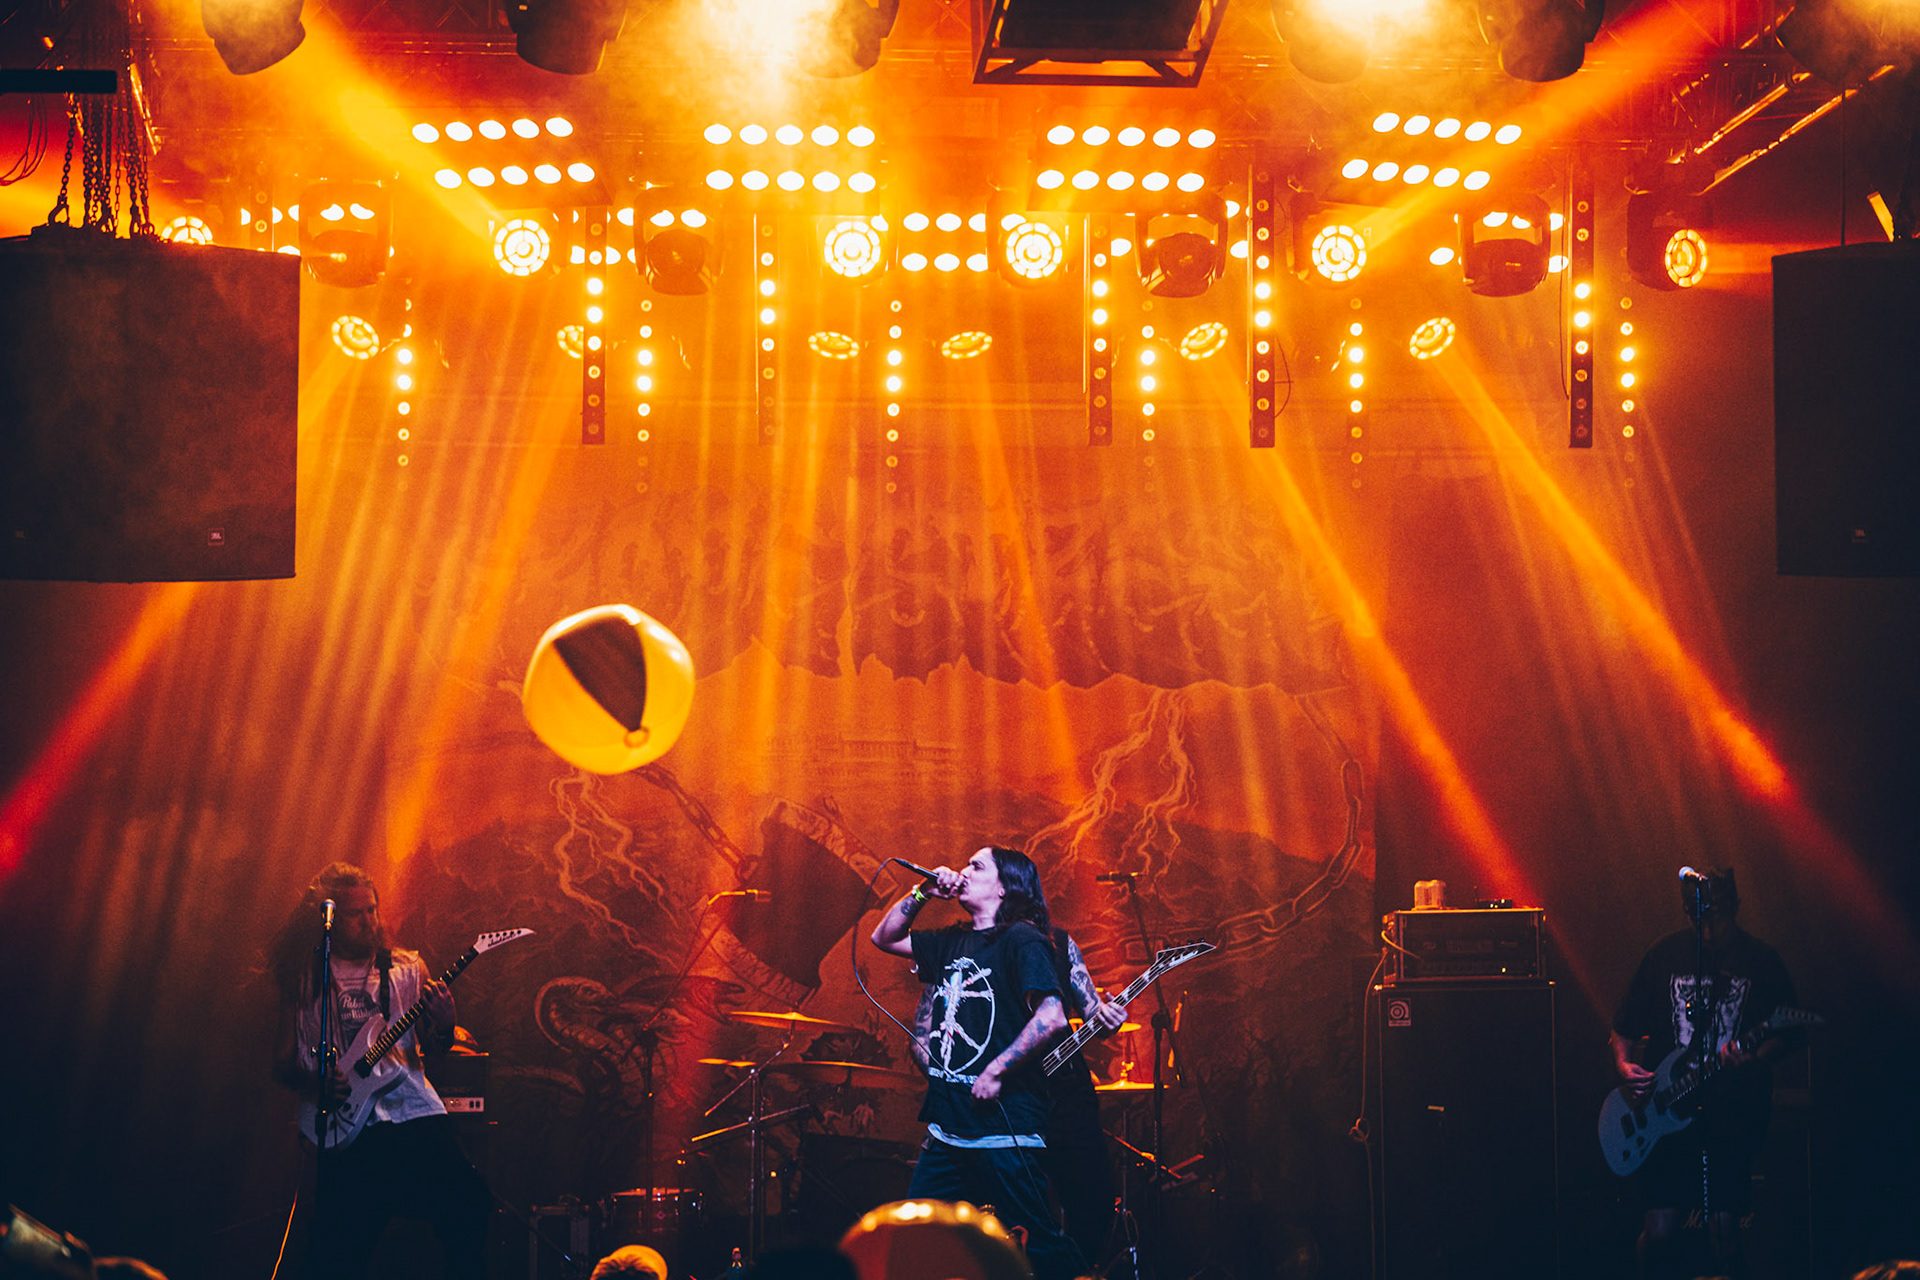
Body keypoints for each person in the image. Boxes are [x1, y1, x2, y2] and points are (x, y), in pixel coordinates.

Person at [870, 846, 1087, 1280]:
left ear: (1005, 886)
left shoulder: (1022, 939)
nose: (964, 871)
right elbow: (885, 938)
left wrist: (997, 1069)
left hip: (1005, 1133)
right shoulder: (952, 940)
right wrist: (925, 891)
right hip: (948, 1131)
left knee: (1037, 1246)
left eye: (977, 866)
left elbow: (1052, 1016)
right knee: (915, 1242)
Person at [269, 862, 491, 1278]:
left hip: (413, 1116)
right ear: (329, 918)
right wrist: (315, 1083)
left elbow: (437, 1051)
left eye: (373, 909)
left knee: (471, 1202)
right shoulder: (305, 978)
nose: (369, 921)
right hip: (345, 1128)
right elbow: (281, 1062)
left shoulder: (407, 969)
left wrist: (444, 1023)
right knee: (334, 1254)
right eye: (357, 913)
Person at [1609, 866, 1802, 1280]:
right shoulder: (1664, 953)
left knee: (1723, 1230)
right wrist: (1626, 1067)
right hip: (1665, 1112)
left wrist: (1753, 1057)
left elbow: (1790, 1033)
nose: (1709, 930)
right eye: (1700, 920)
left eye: (1717, 918)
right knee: (1659, 1231)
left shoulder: (1761, 961)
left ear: (1735, 908)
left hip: (1731, 1114)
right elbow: (1623, 1027)